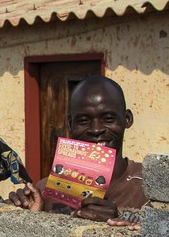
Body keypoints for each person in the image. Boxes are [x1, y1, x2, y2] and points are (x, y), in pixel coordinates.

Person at [9, 75, 146, 227]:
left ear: (127, 119)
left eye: (108, 119)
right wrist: (32, 218)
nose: (96, 129)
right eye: (84, 121)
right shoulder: (45, 193)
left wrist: (117, 224)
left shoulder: (150, 189)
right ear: (70, 124)